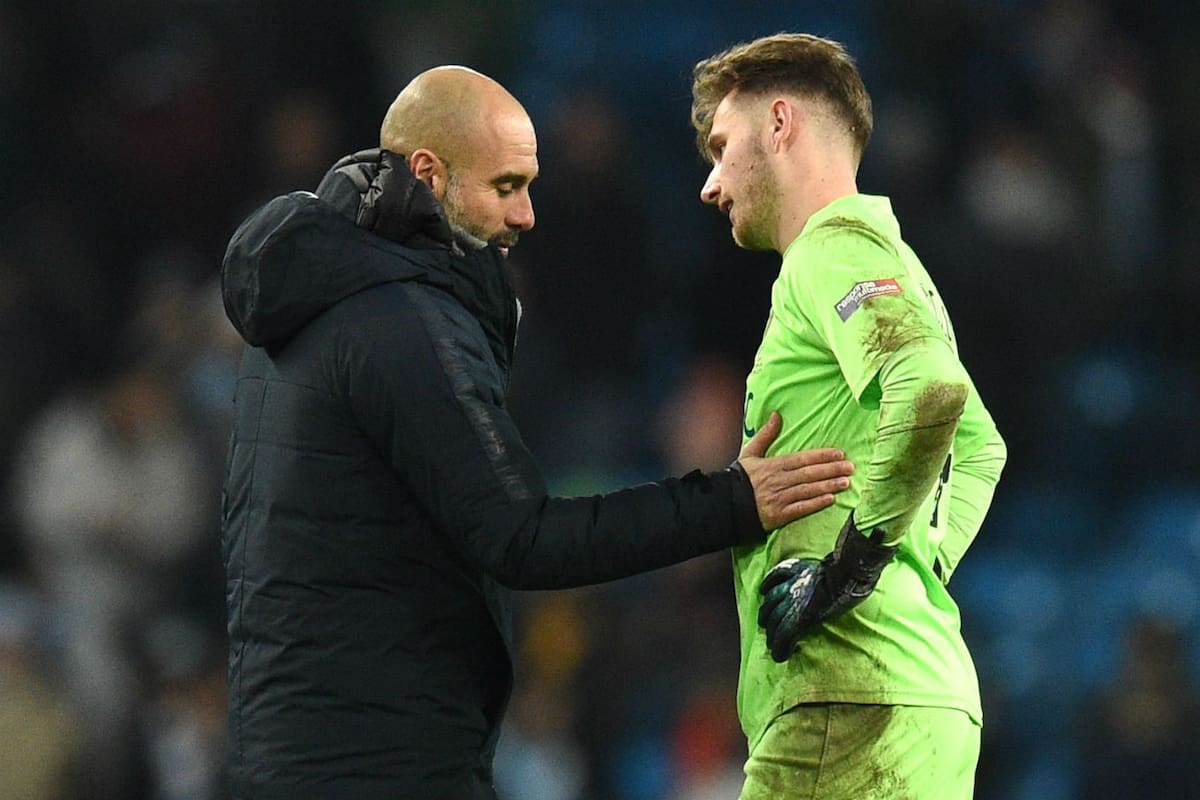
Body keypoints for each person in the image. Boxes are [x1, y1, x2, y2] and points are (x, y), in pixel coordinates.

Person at [220, 65, 856, 800]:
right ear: (428, 175)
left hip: (306, 749)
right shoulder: (399, 321)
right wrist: (730, 502)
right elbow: (523, 537)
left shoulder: (306, 312)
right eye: (504, 187)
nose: (526, 216)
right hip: (381, 765)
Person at [690, 34, 1007, 799]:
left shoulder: (832, 248)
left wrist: (850, 571)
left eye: (721, 147)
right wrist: (907, 565)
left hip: (847, 701)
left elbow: (933, 393)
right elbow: (981, 447)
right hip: (916, 704)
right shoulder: (896, 262)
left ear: (780, 123)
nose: (710, 183)